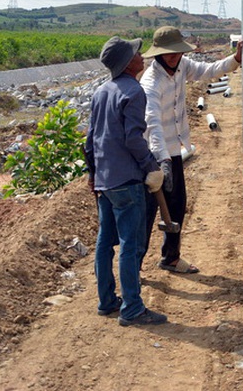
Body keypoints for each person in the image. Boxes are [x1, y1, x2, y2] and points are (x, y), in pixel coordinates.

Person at [140, 27, 243, 274]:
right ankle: (134, 266)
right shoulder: (150, 83)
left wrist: (235, 60)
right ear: (158, 54)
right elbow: (151, 122)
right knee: (145, 213)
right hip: (152, 154)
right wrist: (161, 160)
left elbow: (207, 71)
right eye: (169, 53)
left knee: (177, 204)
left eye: (177, 51)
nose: (174, 56)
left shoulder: (182, 66)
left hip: (173, 148)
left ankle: (171, 258)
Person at [84, 36, 168, 326]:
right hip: (127, 181)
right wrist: (151, 167)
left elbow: (90, 140)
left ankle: (107, 301)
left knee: (104, 243)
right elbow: (134, 137)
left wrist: (93, 175)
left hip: (105, 182)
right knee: (130, 247)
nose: (142, 55)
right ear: (126, 63)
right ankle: (132, 308)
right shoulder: (133, 91)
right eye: (136, 53)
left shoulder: (100, 92)